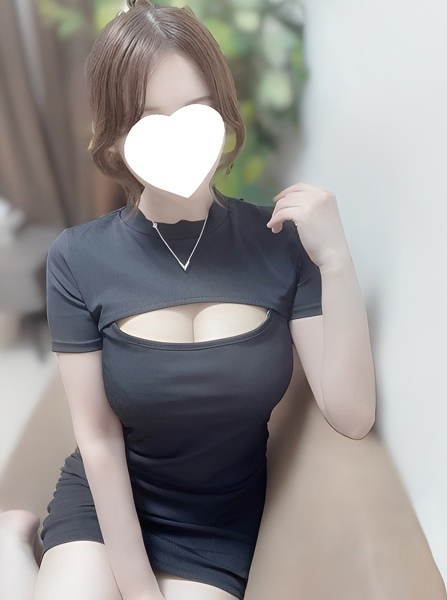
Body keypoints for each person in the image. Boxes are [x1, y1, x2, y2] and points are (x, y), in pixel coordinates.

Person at [0, 1, 376, 599]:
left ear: (224, 113)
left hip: (216, 525)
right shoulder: (77, 256)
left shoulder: (279, 242)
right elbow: (98, 440)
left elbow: (352, 415)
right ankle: (15, 543)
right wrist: (139, 589)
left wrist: (336, 258)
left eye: (197, 111)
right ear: (114, 137)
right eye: (149, 119)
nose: (178, 137)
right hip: (106, 505)